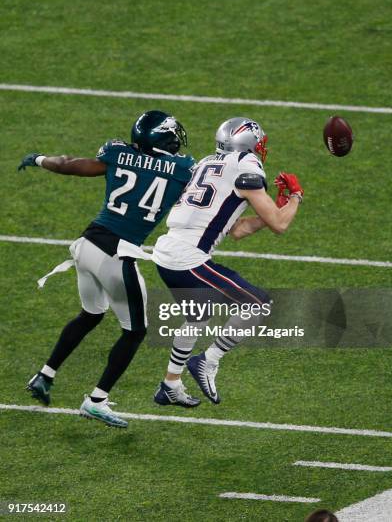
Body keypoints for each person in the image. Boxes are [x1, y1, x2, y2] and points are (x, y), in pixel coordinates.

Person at [18, 110, 195, 428]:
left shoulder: (117, 153)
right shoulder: (182, 169)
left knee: (91, 315)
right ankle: (96, 400)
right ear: (165, 138)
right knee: (136, 331)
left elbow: (71, 164)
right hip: (117, 255)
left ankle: (44, 376)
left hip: (87, 246)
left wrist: (40, 159)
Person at [152, 116, 304, 406]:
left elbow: (237, 229)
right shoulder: (246, 166)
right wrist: (295, 197)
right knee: (258, 305)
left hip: (167, 252)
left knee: (198, 315)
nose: (260, 149)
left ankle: (170, 384)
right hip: (188, 259)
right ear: (247, 144)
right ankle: (207, 361)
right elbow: (280, 226)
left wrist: (275, 210)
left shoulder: (207, 163)